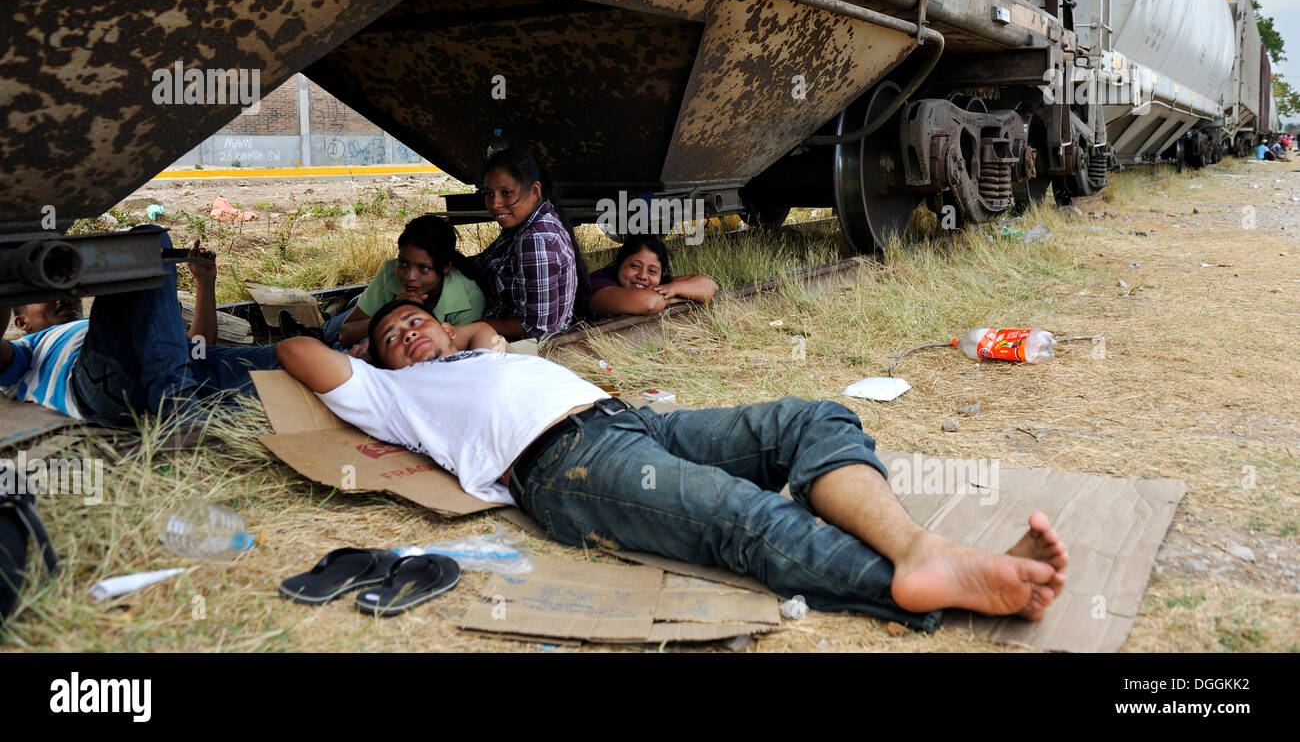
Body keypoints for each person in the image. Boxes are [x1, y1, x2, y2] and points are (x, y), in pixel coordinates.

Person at [275, 300, 1069, 629]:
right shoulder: (393, 394)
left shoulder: (481, 352)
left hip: (635, 423)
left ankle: (917, 548)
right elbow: (293, 349)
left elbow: (486, 330)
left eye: (418, 321)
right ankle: (922, 580)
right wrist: (357, 339)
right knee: (741, 516)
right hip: (564, 466)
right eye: (394, 336)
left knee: (811, 417)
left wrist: (469, 333)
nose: (410, 333)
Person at [1, 226, 280, 425]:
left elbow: (195, 348)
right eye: (46, 295)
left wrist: (204, 282)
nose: (61, 296)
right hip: (100, 386)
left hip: (180, 376)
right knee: (148, 238)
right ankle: (179, 410)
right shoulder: (28, 351)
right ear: (21, 321)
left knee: (286, 360)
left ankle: (180, 401)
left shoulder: (91, 326)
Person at [284, 214, 486, 349]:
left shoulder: (468, 301)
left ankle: (315, 340)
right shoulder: (391, 272)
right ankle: (315, 335)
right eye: (404, 263)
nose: (409, 276)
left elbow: (448, 356)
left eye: (423, 268)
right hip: (363, 323)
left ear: (445, 268)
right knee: (336, 329)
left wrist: (394, 316)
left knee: (350, 346)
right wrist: (391, 309)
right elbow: (346, 333)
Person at [473, 147, 585, 340]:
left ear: (534, 191)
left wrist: (479, 327)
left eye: (506, 193)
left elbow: (538, 331)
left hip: (529, 349)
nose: (494, 203)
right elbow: (481, 263)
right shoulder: (524, 224)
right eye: (489, 193)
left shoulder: (536, 240)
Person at [586, 236, 718, 318]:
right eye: (635, 266)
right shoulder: (599, 283)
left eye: (652, 271)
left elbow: (709, 286)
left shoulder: (659, 285)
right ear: (619, 264)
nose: (643, 276)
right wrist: (677, 296)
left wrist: (675, 288)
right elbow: (649, 303)